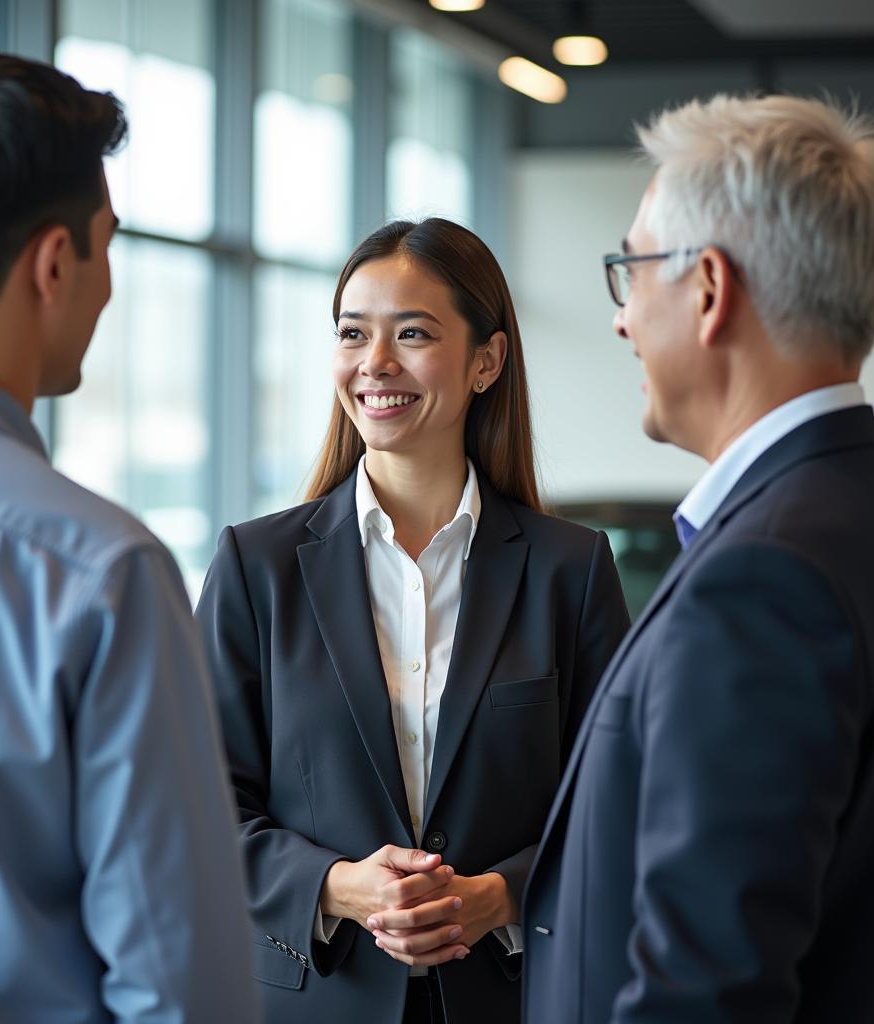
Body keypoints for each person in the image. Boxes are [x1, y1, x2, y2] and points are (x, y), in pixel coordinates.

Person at [0, 54, 256, 1023]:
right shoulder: (98, 572)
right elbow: (182, 991)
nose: (108, 285)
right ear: (54, 264)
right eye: (108, 247)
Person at [522, 94, 874, 1024]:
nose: (620, 320)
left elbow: (706, 994)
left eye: (630, 271)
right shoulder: (869, 510)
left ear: (708, 289)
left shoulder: (762, 580)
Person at [195, 217, 630, 1024]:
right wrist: (337, 887)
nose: (376, 364)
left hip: (515, 1001)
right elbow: (198, 806)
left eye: (414, 333)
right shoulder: (256, 568)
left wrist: (500, 898)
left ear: (487, 361)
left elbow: (620, 805)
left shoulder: (570, 570)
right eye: (353, 333)